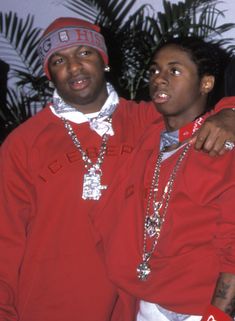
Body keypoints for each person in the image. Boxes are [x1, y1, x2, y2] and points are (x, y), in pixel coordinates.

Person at [0, 17, 235, 321]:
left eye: (85, 53)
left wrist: (230, 111)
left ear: (104, 61)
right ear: (50, 74)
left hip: (129, 305)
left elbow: (197, 110)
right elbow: (5, 239)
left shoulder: (146, 121)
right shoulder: (23, 144)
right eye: (59, 60)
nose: (74, 66)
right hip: (46, 304)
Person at [90, 36, 235, 321]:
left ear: (205, 84)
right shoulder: (146, 135)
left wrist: (217, 316)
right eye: (155, 70)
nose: (160, 79)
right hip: (147, 304)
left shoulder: (222, 146)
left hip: (200, 310)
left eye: (174, 70)